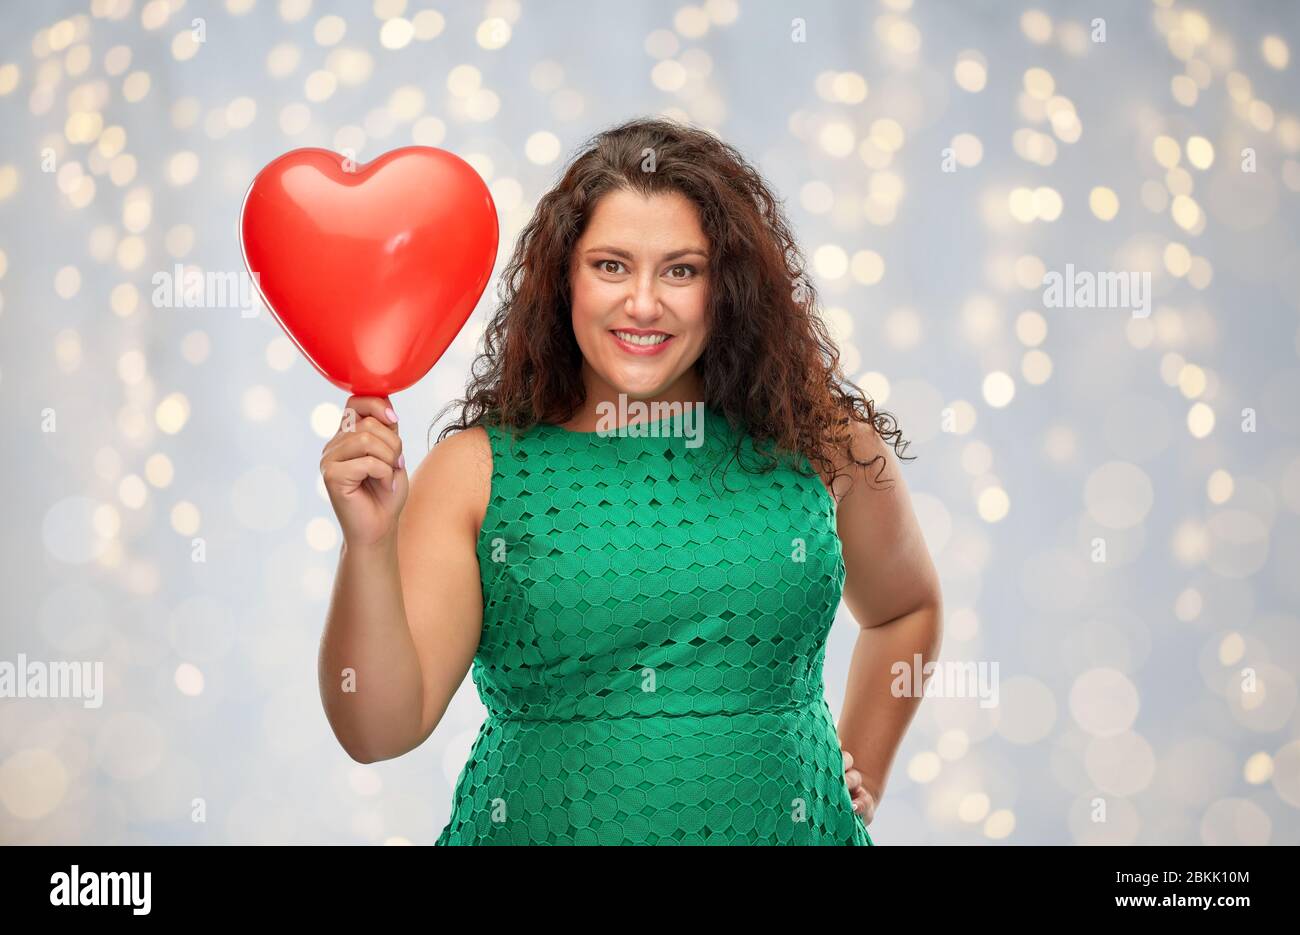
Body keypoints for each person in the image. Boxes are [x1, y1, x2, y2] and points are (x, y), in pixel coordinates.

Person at [317, 117, 943, 845]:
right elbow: (378, 728)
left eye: (681, 269)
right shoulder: (477, 470)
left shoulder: (821, 442)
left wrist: (846, 774)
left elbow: (905, 611)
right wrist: (367, 544)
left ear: (729, 286)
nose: (643, 303)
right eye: (611, 265)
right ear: (563, 279)